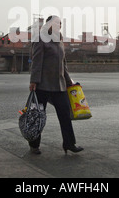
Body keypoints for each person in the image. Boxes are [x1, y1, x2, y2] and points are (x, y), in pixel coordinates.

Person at [28, 15, 83, 155]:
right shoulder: (40, 38)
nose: (60, 26)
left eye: (61, 24)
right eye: (57, 23)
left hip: (59, 85)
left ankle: (69, 143)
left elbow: (63, 63)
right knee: (38, 115)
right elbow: (36, 61)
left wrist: (69, 81)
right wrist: (33, 81)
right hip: (42, 85)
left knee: (65, 114)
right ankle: (34, 145)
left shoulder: (59, 40)